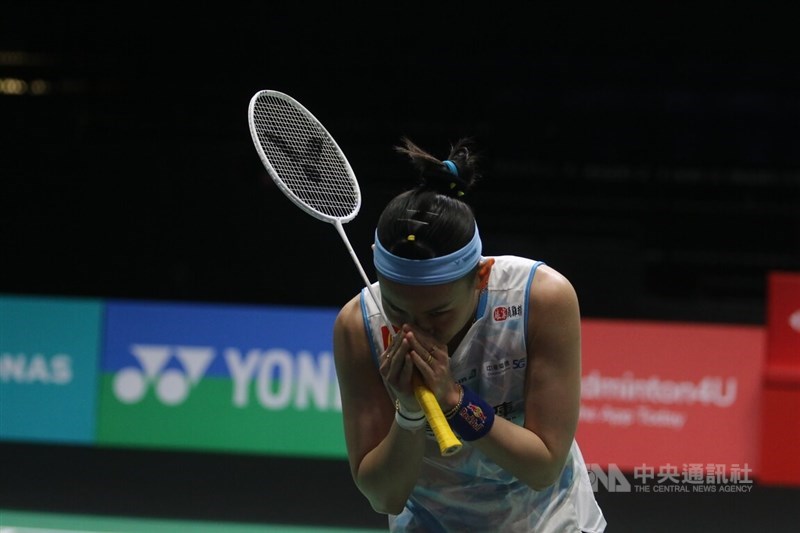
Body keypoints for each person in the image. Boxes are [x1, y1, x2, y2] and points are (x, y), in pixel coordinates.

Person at [333, 137, 606, 532]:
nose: (415, 328)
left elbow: (543, 465)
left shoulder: (541, 299)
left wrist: (454, 401)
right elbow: (384, 497)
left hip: (549, 522)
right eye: (397, 309)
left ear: (480, 277)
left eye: (438, 312)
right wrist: (410, 413)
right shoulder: (358, 326)